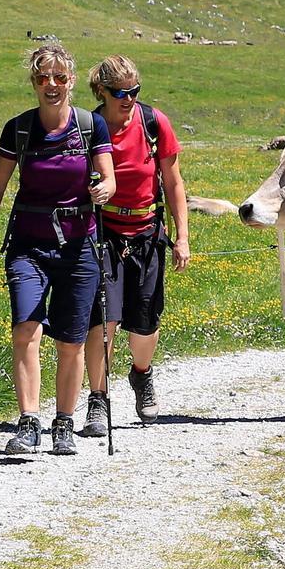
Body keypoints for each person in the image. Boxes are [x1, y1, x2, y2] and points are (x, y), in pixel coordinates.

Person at [0, 42, 115, 456]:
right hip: (28, 246)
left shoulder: (90, 126)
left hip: (79, 247)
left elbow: (110, 179)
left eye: (59, 77)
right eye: (42, 78)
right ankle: (29, 422)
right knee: (25, 331)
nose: (50, 85)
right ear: (33, 82)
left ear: (70, 80)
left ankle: (64, 424)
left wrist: (104, 188)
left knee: (70, 341)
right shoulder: (18, 128)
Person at [81, 55, 190, 434]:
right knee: (104, 319)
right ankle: (98, 398)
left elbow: (173, 182)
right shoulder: (88, 127)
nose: (127, 98)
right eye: (119, 92)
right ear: (102, 91)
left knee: (143, 324)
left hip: (147, 230)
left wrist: (182, 237)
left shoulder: (153, 123)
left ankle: (141, 374)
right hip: (103, 231)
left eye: (134, 91)